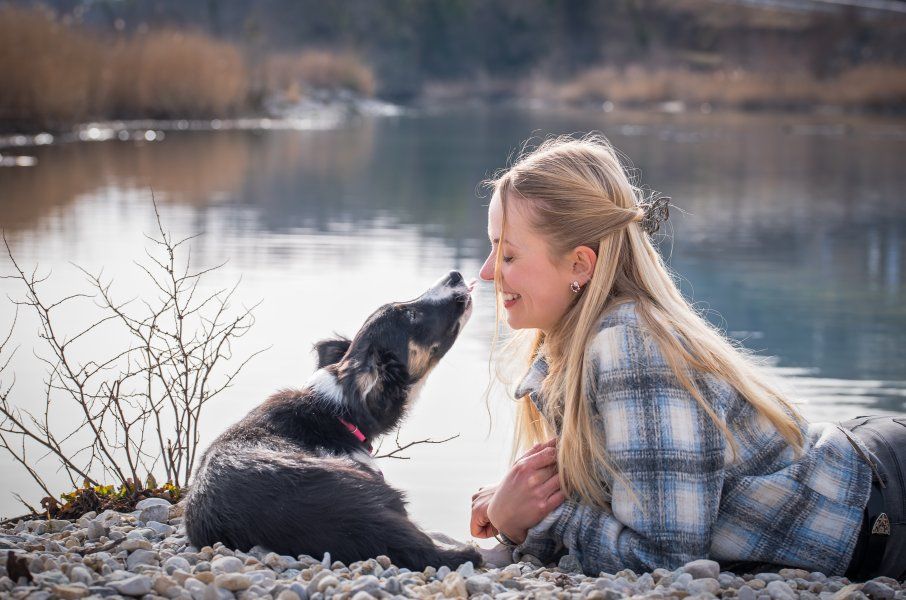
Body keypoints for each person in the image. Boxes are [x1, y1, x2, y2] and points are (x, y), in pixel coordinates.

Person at [468, 134, 905, 580]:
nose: (486, 272)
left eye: (507, 254)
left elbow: (665, 560)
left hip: (888, 508)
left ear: (580, 265)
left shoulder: (632, 345)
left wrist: (528, 520)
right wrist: (514, 504)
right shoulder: (572, 345)